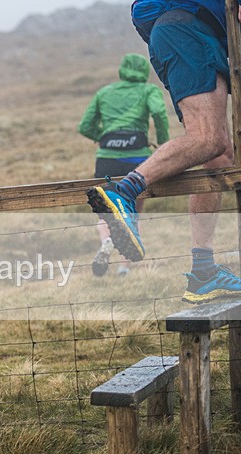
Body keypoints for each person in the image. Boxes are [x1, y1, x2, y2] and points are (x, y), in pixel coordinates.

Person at [87, 0, 241, 304]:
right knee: (206, 139)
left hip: (186, 32)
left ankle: (203, 271)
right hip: (187, 30)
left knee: (219, 156)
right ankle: (123, 193)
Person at [78, 53, 169, 277]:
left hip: (107, 158)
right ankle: (124, 267)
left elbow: (85, 126)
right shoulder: (149, 90)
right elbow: (158, 112)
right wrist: (165, 146)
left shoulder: (104, 92)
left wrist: (104, 137)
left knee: (106, 212)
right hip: (137, 159)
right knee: (133, 213)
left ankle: (106, 240)